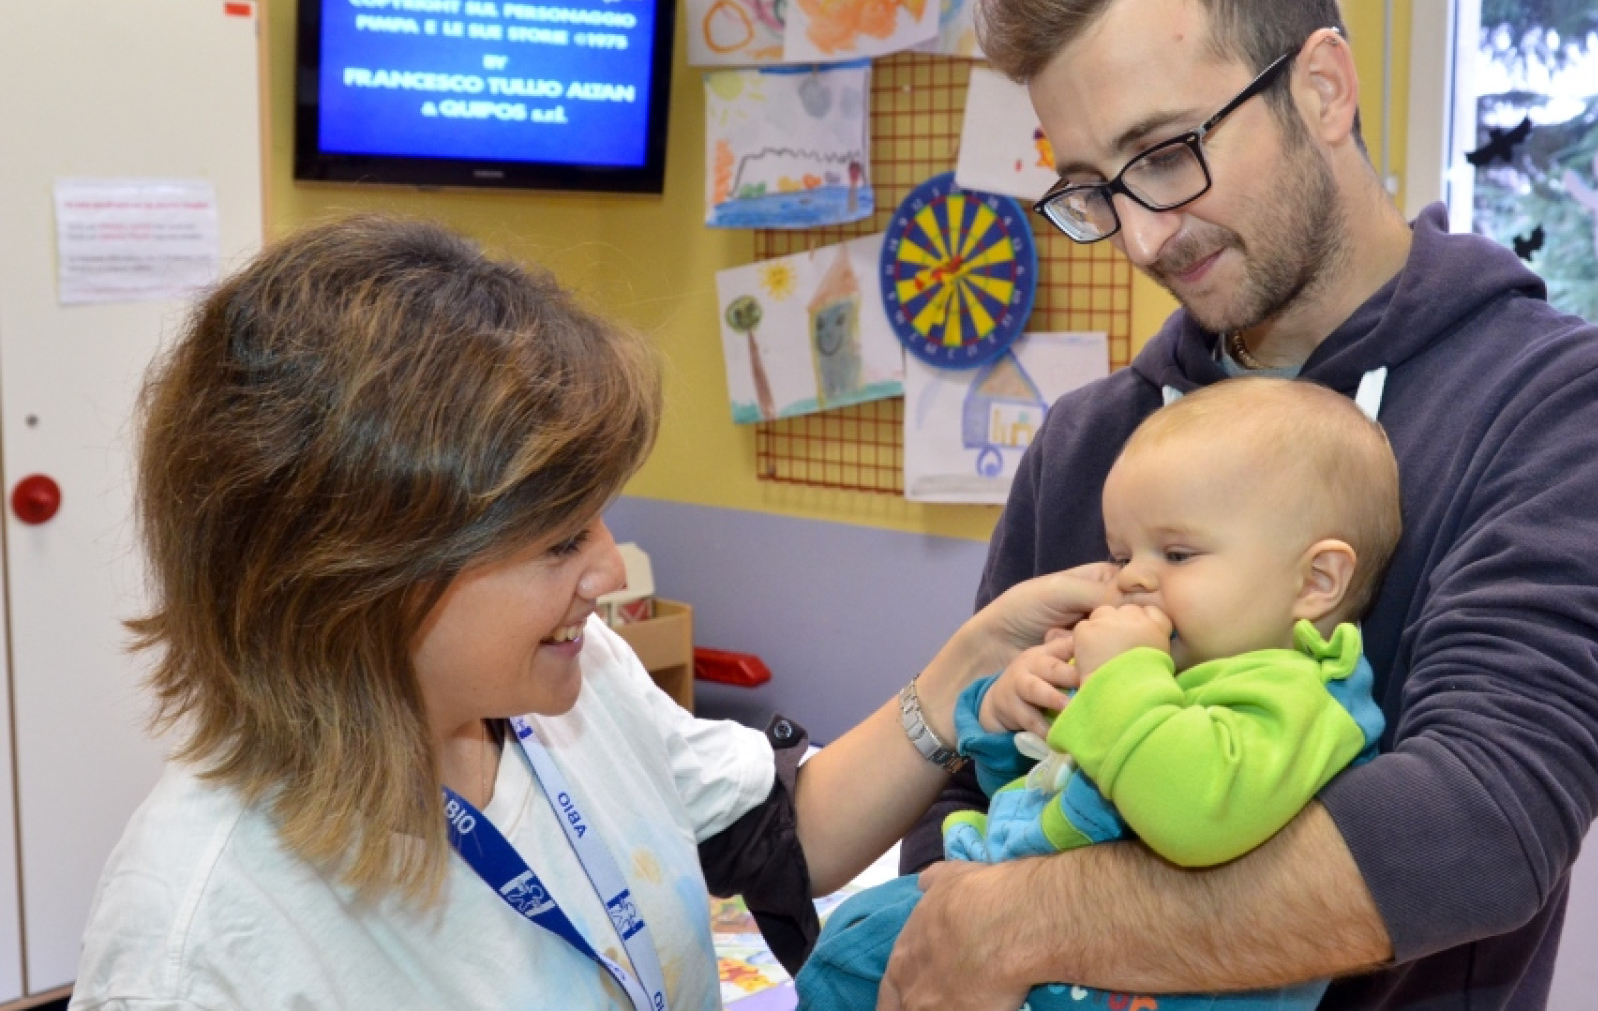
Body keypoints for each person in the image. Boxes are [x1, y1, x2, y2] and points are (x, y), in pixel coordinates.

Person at [883, 0, 1598, 1010]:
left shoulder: (1574, 415)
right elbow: (968, 797)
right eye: (1092, 190)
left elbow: (1482, 827)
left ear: (1322, 87)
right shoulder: (1089, 439)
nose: (1139, 236)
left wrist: (1026, 922)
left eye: (1168, 152)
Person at [70, 214, 1111, 1011]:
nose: (610, 570)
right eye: (561, 540)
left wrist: (971, 659)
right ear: (364, 572)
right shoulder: (199, 942)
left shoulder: (576, 679)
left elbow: (775, 839)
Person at [797, 377, 1401, 1011]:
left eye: (1177, 552)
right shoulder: (1163, 676)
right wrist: (1010, 722)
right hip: (1011, 940)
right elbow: (1050, 797)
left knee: (843, 968)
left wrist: (1121, 679)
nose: (1134, 577)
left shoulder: (1301, 696)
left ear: (1316, 581)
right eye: (1121, 553)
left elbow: (1194, 814)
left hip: (1125, 981)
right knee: (844, 949)